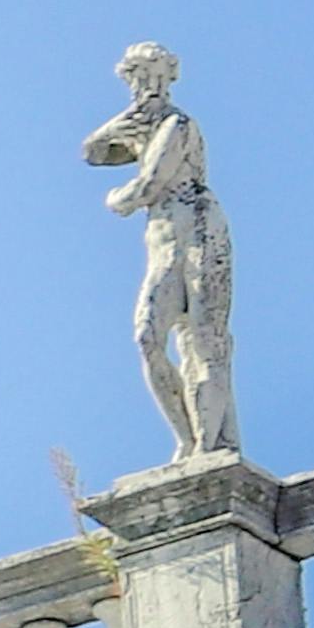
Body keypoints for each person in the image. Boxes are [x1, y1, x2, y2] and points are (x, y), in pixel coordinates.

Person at [83, 44, 233, 460]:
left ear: (168, 79)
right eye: (136, 78)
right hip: (164, 245)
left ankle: (209, 445)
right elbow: (93, 152)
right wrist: (127, 120)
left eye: (152, 76)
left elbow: (148, 185)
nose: (145, 86)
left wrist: (116, 199)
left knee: (204, 340)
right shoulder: (146, 128)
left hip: (200, 231)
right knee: (148, 337)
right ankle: (186, 437)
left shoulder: (178, 125)